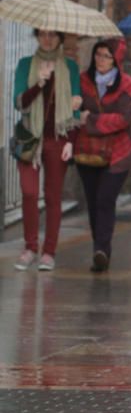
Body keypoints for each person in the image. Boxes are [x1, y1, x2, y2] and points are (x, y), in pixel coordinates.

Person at [12, 29, 81, 271]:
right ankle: (30, 247)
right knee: (29, 192)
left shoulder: (70, 68)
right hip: (30, 138)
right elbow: (19, 103)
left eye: (52, 35)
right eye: (42, 34)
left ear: (60, 38)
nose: (47, 39)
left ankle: (49, 252)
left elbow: (75, 108)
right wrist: (39, 82)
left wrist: (71, 141)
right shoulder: (25, 65)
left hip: (58, 139)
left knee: (52, 196)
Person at [74, 39, 131, 272]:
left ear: (116, 60)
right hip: (87, 151)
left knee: (105, 199)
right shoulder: (82, 81)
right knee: (92, 202)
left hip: (117, 154)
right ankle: (98, 248)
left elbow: (123, 119)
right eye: (98, 55)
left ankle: (102, 249)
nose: (100, 60)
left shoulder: (127, 85)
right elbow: (73, 113)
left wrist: (90, 120)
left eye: (106, 56)